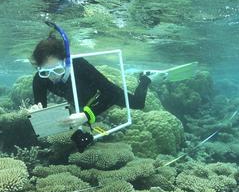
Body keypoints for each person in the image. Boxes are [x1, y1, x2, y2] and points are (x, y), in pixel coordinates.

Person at [28, 32, 160, 130]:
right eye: (45, 71)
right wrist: (37, 112)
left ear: (66, 63)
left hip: (103, 94)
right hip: (82, 102)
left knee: (138, 103)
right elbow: (41, 108)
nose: (52, 77)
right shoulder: (40, 78)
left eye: (57, 70)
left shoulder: (79, 65)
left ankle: (145, 79)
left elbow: (110, 93)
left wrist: (86, 115)